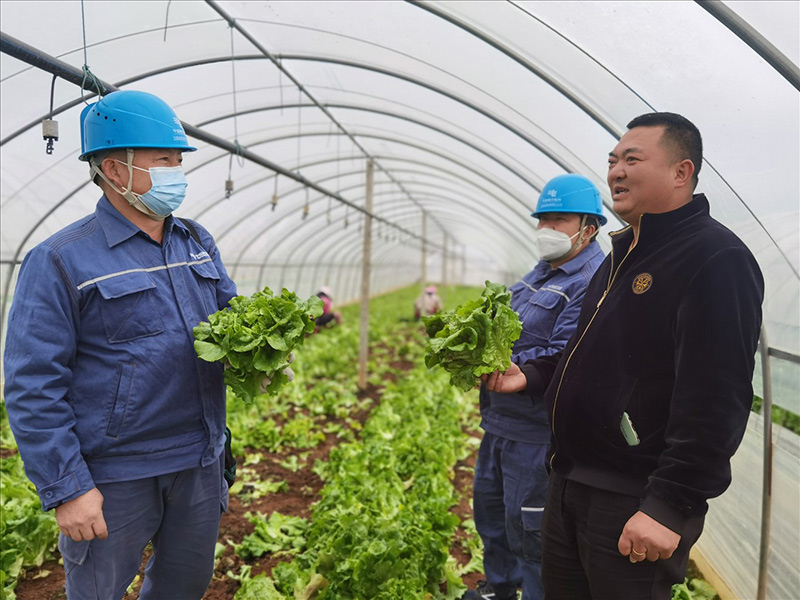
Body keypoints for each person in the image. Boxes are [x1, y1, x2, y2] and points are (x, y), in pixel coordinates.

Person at [484, 112, 764, 599]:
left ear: (682, 172)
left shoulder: (715, 258)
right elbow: (585, 356)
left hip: (631, 496)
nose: (615, 171)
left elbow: (718, 399)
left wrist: (669, 506)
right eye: (612, 160)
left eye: (632, 159)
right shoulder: (622, 254)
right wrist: (527, 375)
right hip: (570, 480)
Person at [3, 90, 238, 600]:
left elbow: (231, 330)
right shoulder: (61, 260)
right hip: (113, 478)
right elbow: (32, 385)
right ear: (114, 169)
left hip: (197, 463)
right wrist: (68, 489)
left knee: (184, 587)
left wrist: (263, 357)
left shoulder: (195, 243)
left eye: (179, 161)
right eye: (163, 161)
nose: (177, 173)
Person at [464, 174, 606, 600]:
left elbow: (567, 357)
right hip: (500, 426)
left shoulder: (591, 281)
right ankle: (501, 589)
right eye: (542, 220)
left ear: (589, 228)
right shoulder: (541, 272)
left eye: (558, 220)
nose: (547, 230)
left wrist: (518, 370)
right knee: (491, 518)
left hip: (536, 437)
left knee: (532, 533)